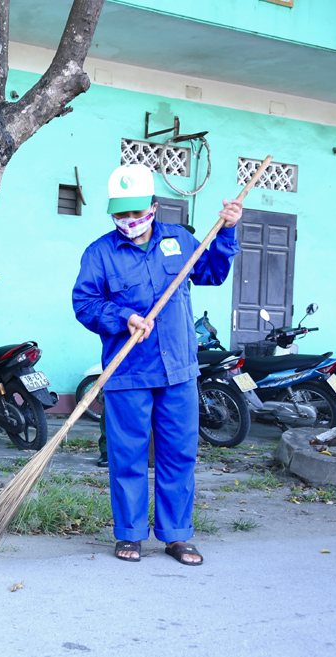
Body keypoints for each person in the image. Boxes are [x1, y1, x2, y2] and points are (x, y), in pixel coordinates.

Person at [72, 163, 242, 566]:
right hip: (128, 370)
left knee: (178, 454)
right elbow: (85, 303)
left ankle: (177, 536)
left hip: (179, 370)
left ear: (152, 205)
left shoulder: (180, 239)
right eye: (121, 214)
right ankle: (129, 534)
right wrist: (122, 318)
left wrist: (228, 230)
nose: (129, 221)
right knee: (127, 456)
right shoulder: (100, 253)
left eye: (136, 212)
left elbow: (213, 274)